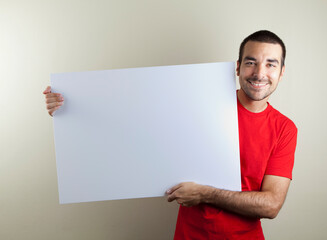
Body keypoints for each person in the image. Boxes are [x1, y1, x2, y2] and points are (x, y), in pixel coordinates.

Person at [43, 30, 297, 239]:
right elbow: (129, 127)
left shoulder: (284, 128)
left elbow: (271, 205)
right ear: (238, 67)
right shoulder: (199, 106)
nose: (259, 73)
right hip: (189, 235)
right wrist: (70, 111)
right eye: (251, 62)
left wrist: (206, 193)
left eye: (270, 64)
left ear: (281, 72)